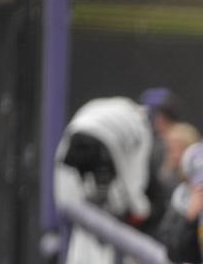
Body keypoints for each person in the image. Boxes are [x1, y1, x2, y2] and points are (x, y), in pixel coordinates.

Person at [54, 96, 162, 231]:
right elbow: (134, 175)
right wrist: (141, 209)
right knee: (106, 204)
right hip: (99, 144)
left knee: (75, 202)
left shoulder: (119, 105)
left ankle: (66, 225)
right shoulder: (143, 129)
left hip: (73, 136)